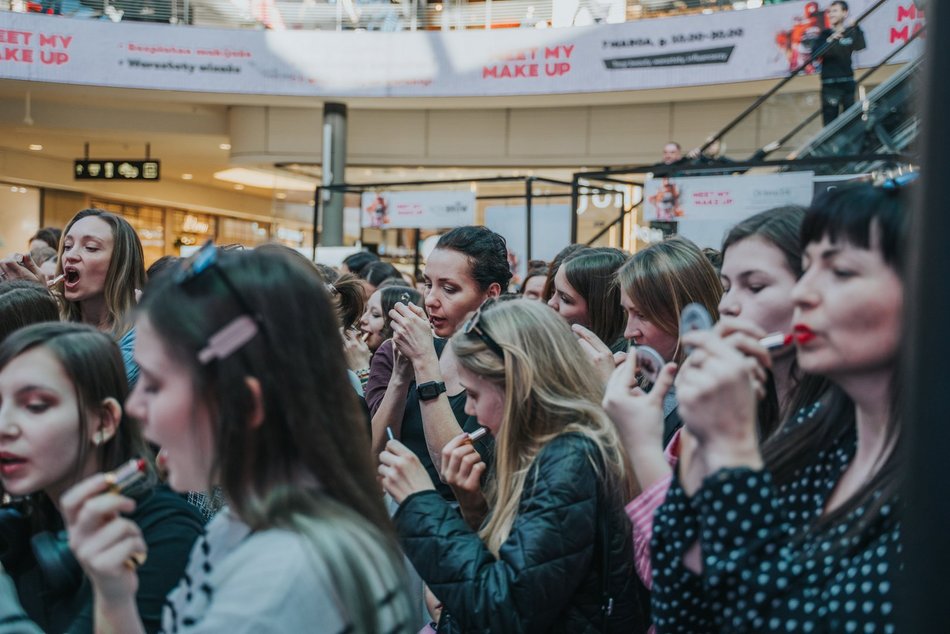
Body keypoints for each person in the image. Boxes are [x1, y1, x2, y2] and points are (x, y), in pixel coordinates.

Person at [61, 245, 414, 633]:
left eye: (157, 384)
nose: (135, 406)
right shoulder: (250, 520)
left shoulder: (277, 580)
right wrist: (114, 594)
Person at [650, 181, 906, 632]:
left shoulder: (926, 483)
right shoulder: (816, 437)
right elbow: (684, 612)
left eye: (841, 272)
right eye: (807, 269)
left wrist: (729, 446)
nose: (804, 293)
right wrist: (703, 449)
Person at [379, 298, 650, 633]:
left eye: (474, 395)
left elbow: (506, 609)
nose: (471, 411)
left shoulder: (569, 461)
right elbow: (518, 561)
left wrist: (420, 503)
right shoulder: (545, 449)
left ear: (516, 386)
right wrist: (472, 503)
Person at [0, 322, 202, 633]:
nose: (5, 427)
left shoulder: (165, 534)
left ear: (104, 422)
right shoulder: (27, 520)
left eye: (36, 406)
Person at [366, 226, 509, 492]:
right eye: (428, 284)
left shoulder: (502, 367)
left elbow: (454, 473)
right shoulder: (425, 347)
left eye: (449, 289)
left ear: (490, 294)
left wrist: (424, 362)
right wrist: (399, 376)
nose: (430, 299)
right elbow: (375, 459)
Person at [616, 236, 722, 446]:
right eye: (627, 313)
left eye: (642, 315)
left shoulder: (717, 402)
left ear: (689, 318)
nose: (629, 332)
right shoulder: (645, 378)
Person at [549, 248, 628, 358]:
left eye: (565, 299)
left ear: (598, 310)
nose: (551, 302)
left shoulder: (625, 362)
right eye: (553, 292)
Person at [813, 0, 866, 125]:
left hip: (847, 82)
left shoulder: (850, 32)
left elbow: (860, 46)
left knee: (850, 122)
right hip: (830, 85)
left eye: (835, 11)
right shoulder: (825, 34)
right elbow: (815, 55)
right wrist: (829, 41)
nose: (831, 14)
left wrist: (856, 28)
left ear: (845, 13)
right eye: (830, 12)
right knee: (830, 123)